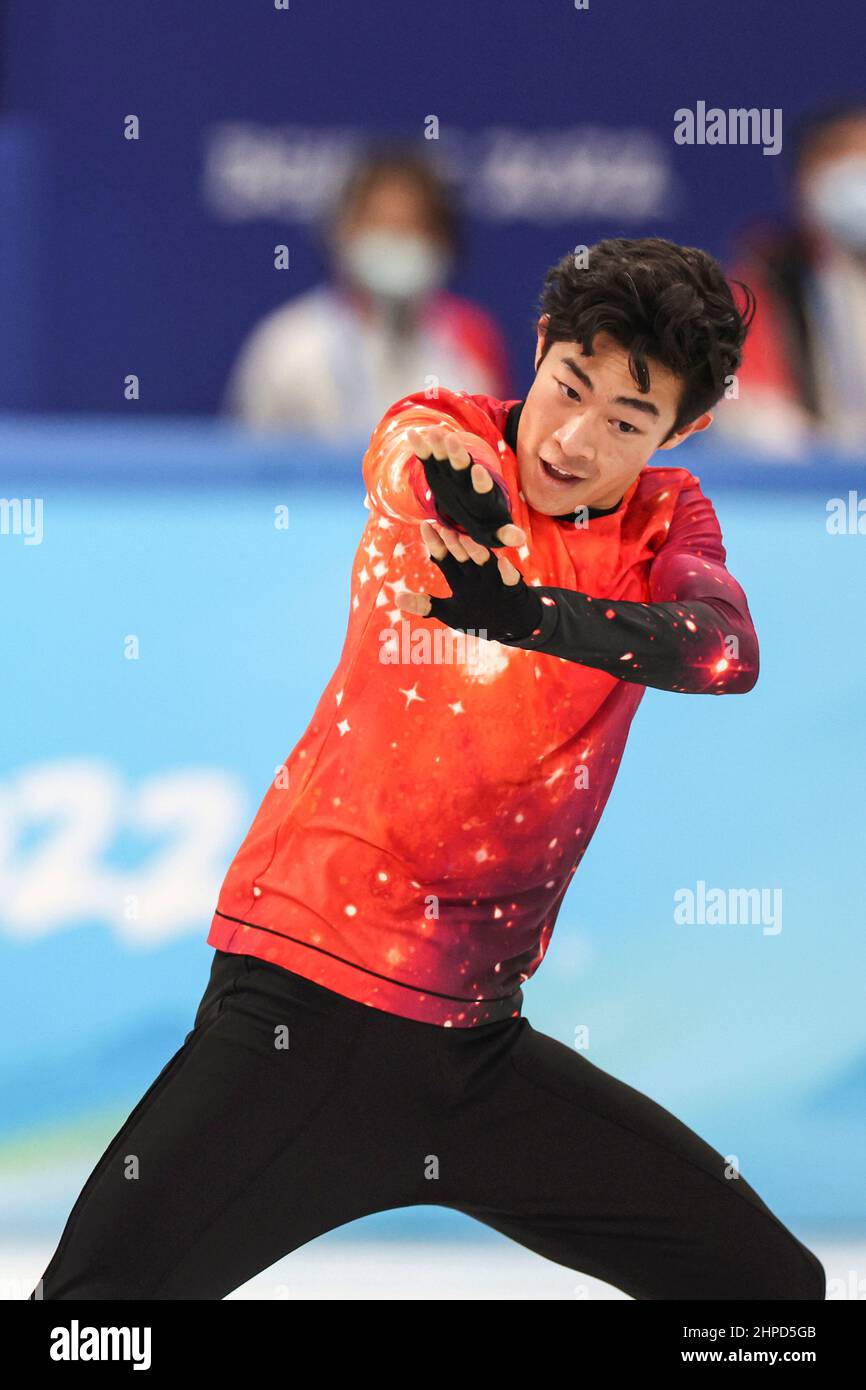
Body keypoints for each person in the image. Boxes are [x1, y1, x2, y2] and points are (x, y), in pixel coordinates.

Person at [31, 237, 826, 1301]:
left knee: (766, 1294)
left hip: (474, 1056)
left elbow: (723, 652)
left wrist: (530, 615)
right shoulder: (444, 432)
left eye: (625, 421)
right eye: (567, 387)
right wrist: (455, 497)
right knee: (86, 1320)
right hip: (295, 1019)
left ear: (682, 431)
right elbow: (408, 460)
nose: (574, 437)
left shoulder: (667, 520)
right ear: (537, 349)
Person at [222, 143, 512, 441]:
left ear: (443, 241)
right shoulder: (287, 345)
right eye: (379, 222)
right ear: (343, 232)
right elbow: (250, 471)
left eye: (413, 225)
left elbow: (491, 457)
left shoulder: (474, 340)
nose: (396, 239)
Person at [714, 100, 866, 457]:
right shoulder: (765, 278)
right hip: (810, 486)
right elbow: (747, 404)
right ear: (803, 181)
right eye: (841, 155)